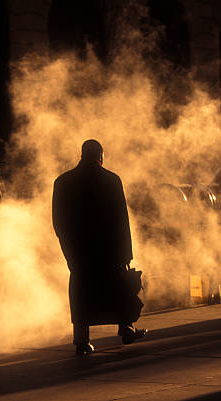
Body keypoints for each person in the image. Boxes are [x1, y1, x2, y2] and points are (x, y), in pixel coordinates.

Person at [52, 139, 147, 355]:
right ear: (101, 155)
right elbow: (122, 219)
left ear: (82, 154)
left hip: (79, 249)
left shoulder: (63, 181)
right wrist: (127, 252)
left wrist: (67, 246)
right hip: (109, 248)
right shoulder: (111, 180)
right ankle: (126, 329)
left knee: (82, 292)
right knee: (118, 289)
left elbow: (58, 220)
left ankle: (81, 340)